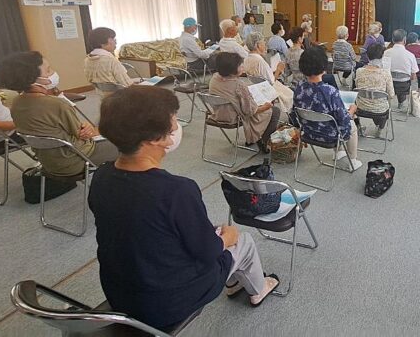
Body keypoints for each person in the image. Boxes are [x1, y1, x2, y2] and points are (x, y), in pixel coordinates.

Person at [89, 86, 279, 332]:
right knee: (242, 240)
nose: (176, 127)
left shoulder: (102, 176)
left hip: (121, 294)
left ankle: (233, 280)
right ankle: (258, 289)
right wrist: (228, 237)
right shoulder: (176, 191)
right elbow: (207, 251)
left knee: (216, 234)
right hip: (167, 303)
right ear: (155, 138)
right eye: (173, 120)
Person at [0, 52, 119, 177]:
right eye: (48, 71)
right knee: (134, 143)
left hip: (48, 163)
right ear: (32, 80)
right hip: (76, 160)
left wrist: (85, 128)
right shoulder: (57, 104)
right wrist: (90, 129)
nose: (53, 72)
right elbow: (83, 136)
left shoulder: (16, 103)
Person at [293, 46, 362, 170]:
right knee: (352, 126)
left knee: (332, 119)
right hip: (330, 135)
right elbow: (344, 120)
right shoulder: (330, 91)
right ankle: (352, 161)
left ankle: (339, 152)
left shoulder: (299, 87)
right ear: (323, 67)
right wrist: (352, 110)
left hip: (309, 132)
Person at [209, 53, 281, 154]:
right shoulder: (238, 85)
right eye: (240, 65)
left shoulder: (214, 78)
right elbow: (250, 111)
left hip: (217, 114)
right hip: (234, 117)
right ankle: (264, 141)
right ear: (232, 68)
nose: (243, 67)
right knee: (275, 111)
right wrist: (266, 106)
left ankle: (256, 139)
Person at [243, 33, 292, 112]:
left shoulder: (247, 59)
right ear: (258, 45)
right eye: (263, 43)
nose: (265, 45)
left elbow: (261, 76)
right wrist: (278, 70)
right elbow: (272, 82)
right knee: (291, 93)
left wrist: (274, 71)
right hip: (267, 88)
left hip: (257, 87)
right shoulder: (260, 61)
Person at [84, 27, 136, 96]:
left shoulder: (87, 60)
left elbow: (91, 81)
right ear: (103, 42)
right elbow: (127, 84)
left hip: (103, 96)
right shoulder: (111, 60)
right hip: (118, 97)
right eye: (113, 39)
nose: (115, 42)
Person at [354, 43, 395, 130]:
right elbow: (391, 95)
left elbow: (357, 89)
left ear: (368, 56)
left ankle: (358, 126)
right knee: (384, 107)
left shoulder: (359, 71)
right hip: (380, 109)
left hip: (361, 107)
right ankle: (380, 128)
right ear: (382, 56)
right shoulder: (386, 74)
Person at [383, 29, 419, 106]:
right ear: (404, 40)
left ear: (392, 40)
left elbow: (382, 70)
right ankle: (401, 101)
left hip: (388, 85)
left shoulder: (386, 53)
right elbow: (413, 76)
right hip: (404, 86)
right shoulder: (410, 55)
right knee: (405, 81)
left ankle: (387, 102)